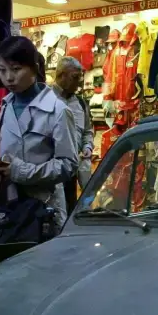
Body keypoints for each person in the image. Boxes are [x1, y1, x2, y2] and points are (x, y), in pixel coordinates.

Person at [0, 36, 78, 234]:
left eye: (16, 69)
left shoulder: (57, 110)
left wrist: (23, 171)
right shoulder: (6, 106)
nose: (8, 78)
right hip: (10, 206)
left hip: (43, 210)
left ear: (33, 68)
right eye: (2, 70)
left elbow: (68, 164)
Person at [51, 56, 95, 211]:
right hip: (52, 171)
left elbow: (88, 131)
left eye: (80, 77)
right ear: (62, 75)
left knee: (71, 207)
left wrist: (87, 147)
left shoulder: (81, 103)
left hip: (74, 169)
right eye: (75, 77)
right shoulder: (46, 101)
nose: (79, 82)